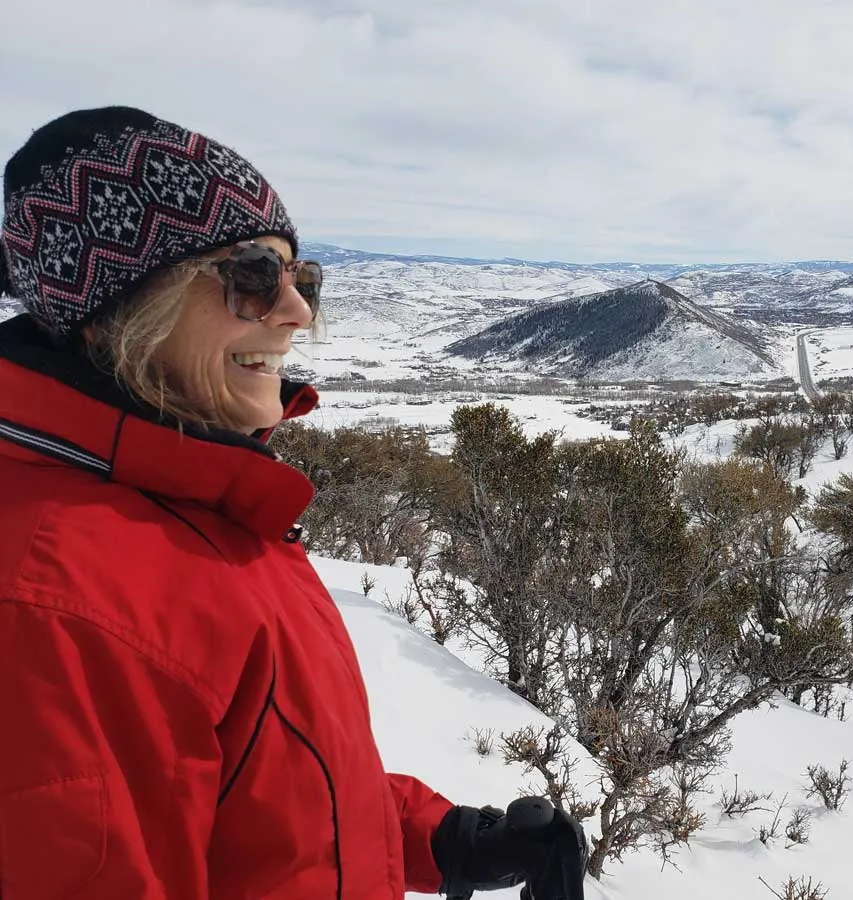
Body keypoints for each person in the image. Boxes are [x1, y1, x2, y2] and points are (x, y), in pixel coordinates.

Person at [0, 107, 585, 900]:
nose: (297, 312)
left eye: (301, 278)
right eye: (251, 276)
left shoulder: (195, 511)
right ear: (111, 312)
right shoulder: (65, 601)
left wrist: (443, 841)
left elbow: (265, 792)